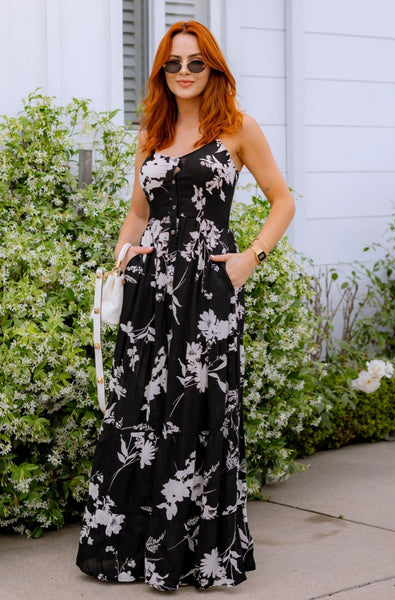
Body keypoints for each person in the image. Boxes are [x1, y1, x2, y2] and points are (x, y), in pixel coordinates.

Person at [76, 20, 295, 591]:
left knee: (199, 410)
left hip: (209, 293)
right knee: (138, 410)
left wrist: (251, 257)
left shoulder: (238, 128)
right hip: (151, 291)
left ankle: (197, 556)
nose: (184, 72)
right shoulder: (154, 130)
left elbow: (282, 201)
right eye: (173, 63)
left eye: (195, 62)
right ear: (161, 73)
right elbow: (138, 213)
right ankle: (134, 550)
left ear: (213, 68)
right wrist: (122, 258)